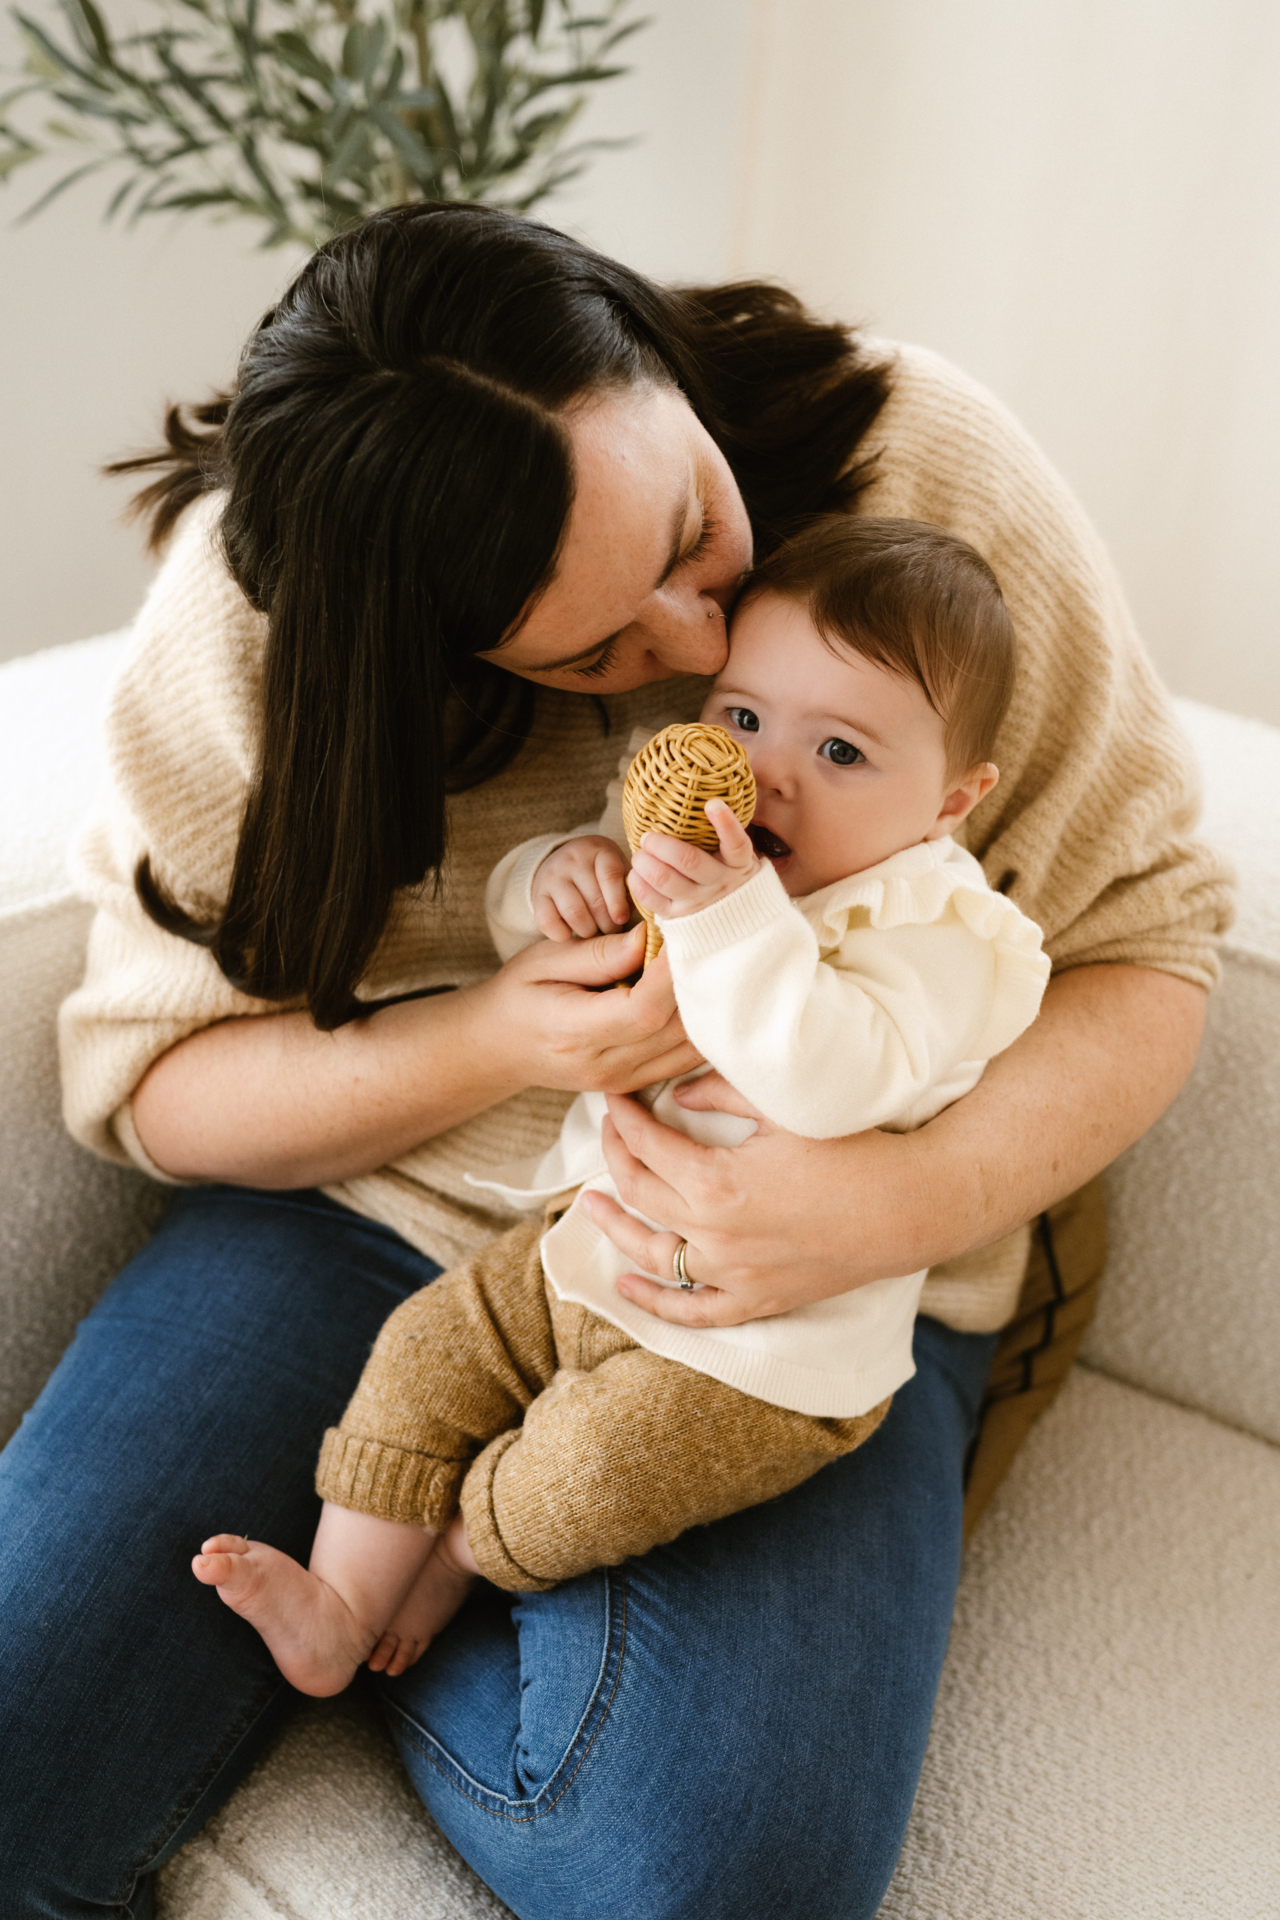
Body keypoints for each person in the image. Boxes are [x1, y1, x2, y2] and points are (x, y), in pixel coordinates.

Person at [0, 201, 1230, 1920]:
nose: (696, 641)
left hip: (792, 1308)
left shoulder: (921, 481)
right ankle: (378, 1574)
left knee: (717, 1883)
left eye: (694, 531)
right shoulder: (280, 610)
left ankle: (426, 1571)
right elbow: (154, 1075)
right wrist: (501, 1031)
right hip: (387, 1220)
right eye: (595, 651)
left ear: (646, 352)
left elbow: (1152, 936)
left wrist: (884, 1202)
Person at [192, 514, 1053, 1695]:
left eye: (843, 752)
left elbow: (826, 1074)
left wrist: (727, 915)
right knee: (424, 1350)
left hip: (754, 1354)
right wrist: (557, 879)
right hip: (582, 1246)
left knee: (586, 1471)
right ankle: (337, 1604)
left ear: (953, 799)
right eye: (741, 717)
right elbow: (549, 945)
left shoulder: (940, 935)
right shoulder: (702, 854)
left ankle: (459, 1555)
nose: (765, 771)